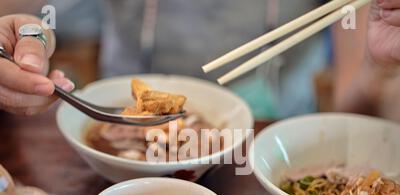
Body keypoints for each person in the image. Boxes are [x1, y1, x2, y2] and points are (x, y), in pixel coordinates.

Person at [0, 1, 400, 119]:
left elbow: (358, 106)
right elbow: (25, 14)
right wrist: (26, 35)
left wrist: (380, 70)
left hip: (273, 156)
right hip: (121, 132)